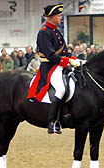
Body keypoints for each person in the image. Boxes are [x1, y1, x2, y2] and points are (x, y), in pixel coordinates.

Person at [27, 3, 80, 134]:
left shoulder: (56, 31)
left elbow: (65, 52)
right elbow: (50, 55)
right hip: (50, 68)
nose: (61, 18)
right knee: (61, 89)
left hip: (61, 66)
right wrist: (68, 61)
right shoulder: (44, 33)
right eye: (58, 16)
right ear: (51, 17)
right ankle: (53, 122)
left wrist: (75, 59)